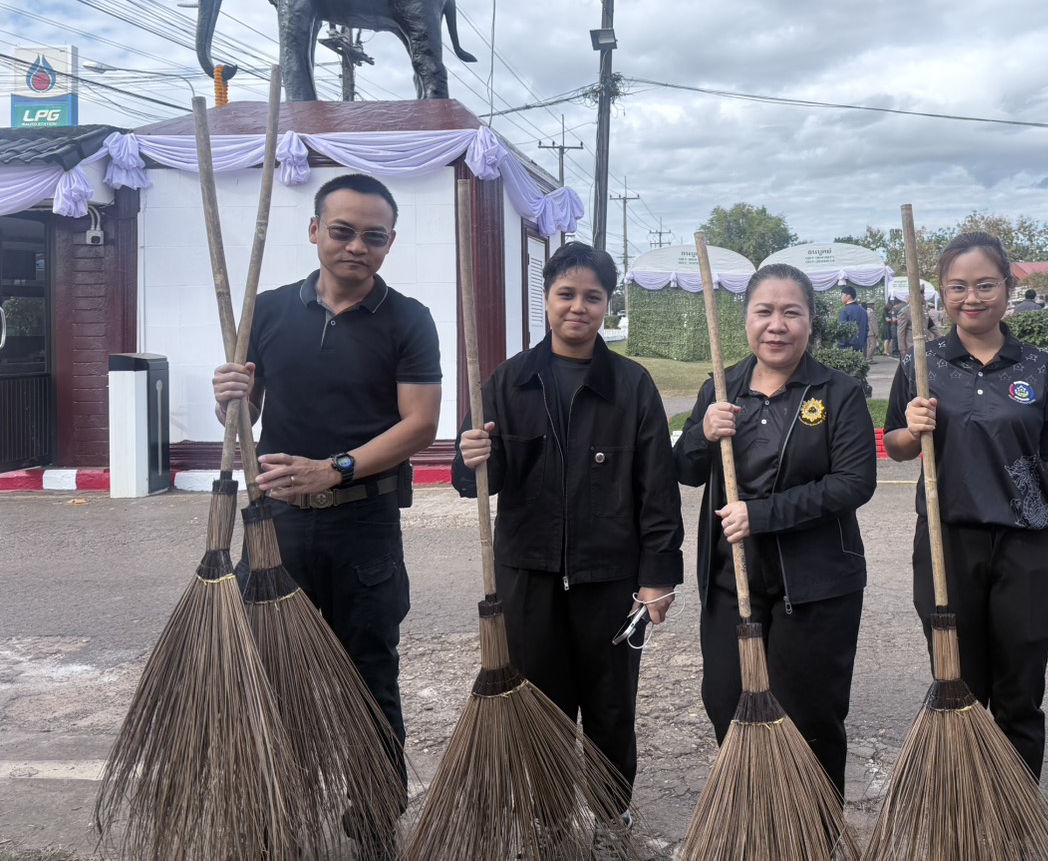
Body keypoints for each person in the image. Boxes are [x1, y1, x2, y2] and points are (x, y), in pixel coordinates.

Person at [212, 173, 441, 859]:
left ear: (389, 243)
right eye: (341, 231)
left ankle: (372, 823)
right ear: (314, 231)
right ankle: (276, 812)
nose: (356, 246)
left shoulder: (407, 318)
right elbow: (244, 417)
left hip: (363, 525)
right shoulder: (268, 310)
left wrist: (335, 466)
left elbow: (420, 424)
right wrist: (230, 394)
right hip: (277, 524)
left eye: (373, 236)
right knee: (272, 676)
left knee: (368, 678)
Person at [454, 241, 683, 828]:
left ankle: (612, 814)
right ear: (548, 299)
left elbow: (657, 488)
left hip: (608, 576)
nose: (578, 307)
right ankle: (548, 814)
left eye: (592, 297)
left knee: (610, 704)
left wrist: (657, 575)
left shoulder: (632, 387)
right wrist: (470, 456)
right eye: (566, 294)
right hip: (526, 573)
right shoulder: (507, 382)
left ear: (607, 304)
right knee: (539, 699)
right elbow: (475, 482)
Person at [884, 232, 1048, 779]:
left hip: (1028, 548)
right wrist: (912, 427)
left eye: (984, 284)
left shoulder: (1039, 369)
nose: (971, 297)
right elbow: (898, 449)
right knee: (957, 687)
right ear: (942, 296)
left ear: (1007, 288)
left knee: (1019, 692)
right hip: (949, 545)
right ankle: (967, 807)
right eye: (957, 287)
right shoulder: (921, 365)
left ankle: (1016, 812)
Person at [674, 263, 877, 799]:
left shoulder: (839, 392)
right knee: (726, 703)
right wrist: (702, 432)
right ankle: (758, 819)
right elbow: (687, 469)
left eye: (792, 312)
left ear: (811, 323)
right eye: (764, 311)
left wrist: (761, 514)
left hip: (813, 587)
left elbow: (854, 483)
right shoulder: (720, 388)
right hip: (730, 581)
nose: (776, 324)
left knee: (810, 718)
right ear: (746, 319)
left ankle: (815, 832)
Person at [837, 285, 868, 353]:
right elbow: (866, 329)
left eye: (842, 295)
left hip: (848, 349)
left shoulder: (845, 311)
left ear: (848, 296)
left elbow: (842, 331)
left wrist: (841, 347)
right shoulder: (863, 311)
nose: (841, 297)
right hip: (861, 348)